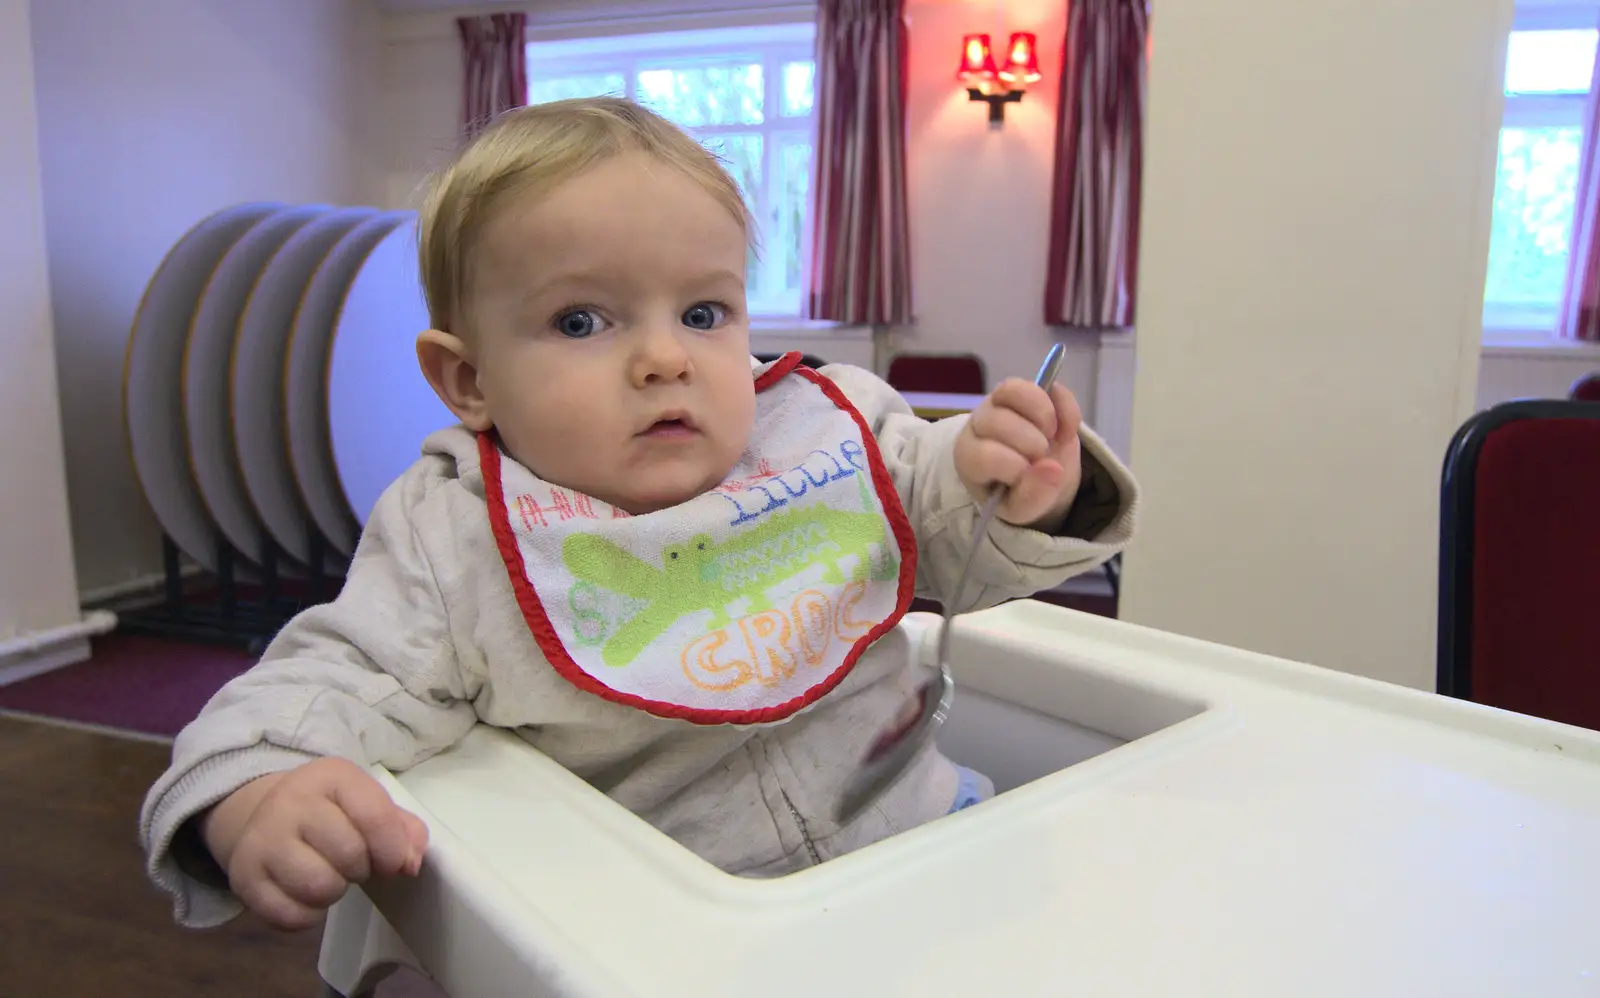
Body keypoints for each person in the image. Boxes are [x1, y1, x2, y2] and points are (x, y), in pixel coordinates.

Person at [139, 96, 1138, 931]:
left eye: (704, 312)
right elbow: (327, 677)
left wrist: (1008, 484)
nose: (666, 356)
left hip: (921, 831)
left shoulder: (830, 429)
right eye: (581, 320)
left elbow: (959, 548)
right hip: (671, 927)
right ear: (468, 379)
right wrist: (255, 788)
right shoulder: (458, 538)